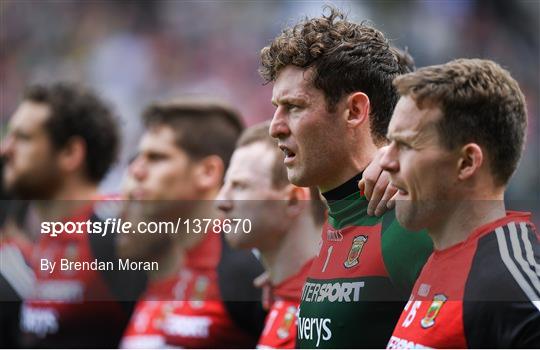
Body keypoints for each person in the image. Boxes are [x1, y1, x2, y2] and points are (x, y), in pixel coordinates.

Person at [261, 6, 433, 348]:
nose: (275, 127)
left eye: (294, 107)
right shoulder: (337, 210)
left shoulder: (410, 221)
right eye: (275, 108)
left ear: (354, 111)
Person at [381, 58, 540, 348]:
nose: (385, 161)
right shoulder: (443, 255)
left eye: (405, 145)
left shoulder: (509, 283)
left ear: (467, 162)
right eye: (389, 143)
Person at [1, 82, 146, 347]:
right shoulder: (47, 242)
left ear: (70, 153)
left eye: (22, 138)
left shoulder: (116, 233)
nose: (5, 149)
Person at [118, 98, 267, 348]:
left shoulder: (247, 267)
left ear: (208, 172)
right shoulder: (177, 265)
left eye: (156, 158)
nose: (136, 171)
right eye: (138, 157)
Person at [216, 121, 326, 348]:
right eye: (226, 185)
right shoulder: (281, 296)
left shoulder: (330, 306)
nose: (221, 201)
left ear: (293, 200)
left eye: (240, 186)